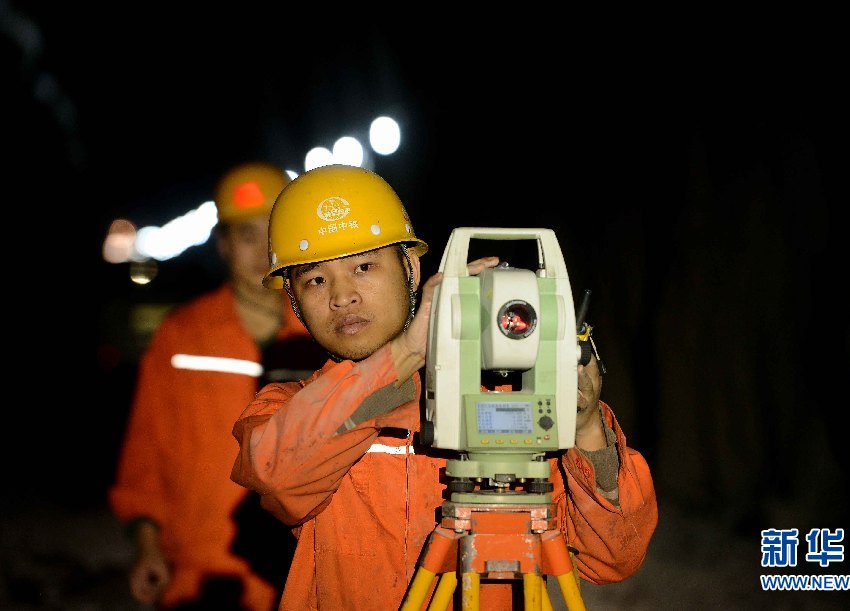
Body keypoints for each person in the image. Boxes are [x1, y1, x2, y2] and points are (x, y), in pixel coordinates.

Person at [230, 164, 658, 609]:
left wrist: (585, 428)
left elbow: (613, 558)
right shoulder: (288, 408)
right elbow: (277, 476)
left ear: (411, 269)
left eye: (364, 267)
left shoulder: (512, 408)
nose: (342, 296)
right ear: (294, 300)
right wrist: (405, 355)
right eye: (316, 279)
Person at [109, 161, 325, 610]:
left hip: (301, 572)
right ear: (223, 244)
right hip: (201, 574)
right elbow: (145, 452)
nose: (263, 250)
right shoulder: (181, 335)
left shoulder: (322, 333)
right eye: (247, 235)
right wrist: (148, 545)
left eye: (273, 234)